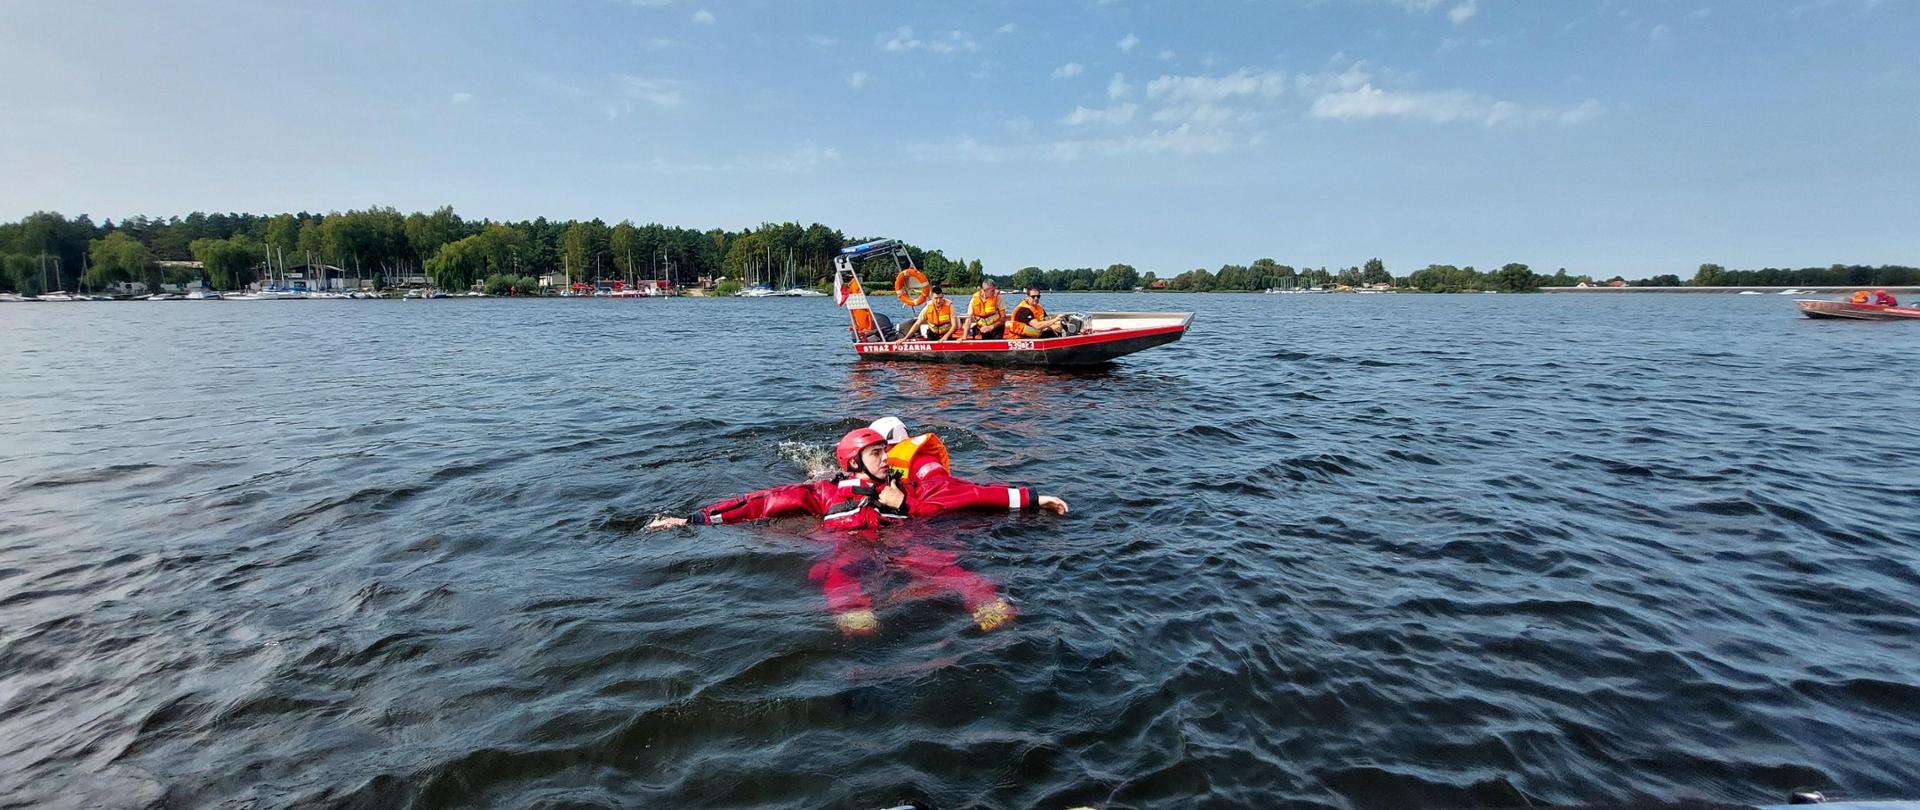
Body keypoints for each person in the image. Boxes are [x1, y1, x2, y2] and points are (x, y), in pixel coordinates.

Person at [646, 427, 1068, 633]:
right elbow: (761, 503)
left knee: (946, 569)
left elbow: (972, 495)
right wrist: (693, 520)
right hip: (847, 544)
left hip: (904, 540)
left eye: (887, 451)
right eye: (877, 453)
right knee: (840, 575)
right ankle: (855, 619)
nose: (887, 459)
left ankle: (986, 606)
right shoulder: (824, 491)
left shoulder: (911, 489)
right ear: (853, 462)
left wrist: (1035, 498)